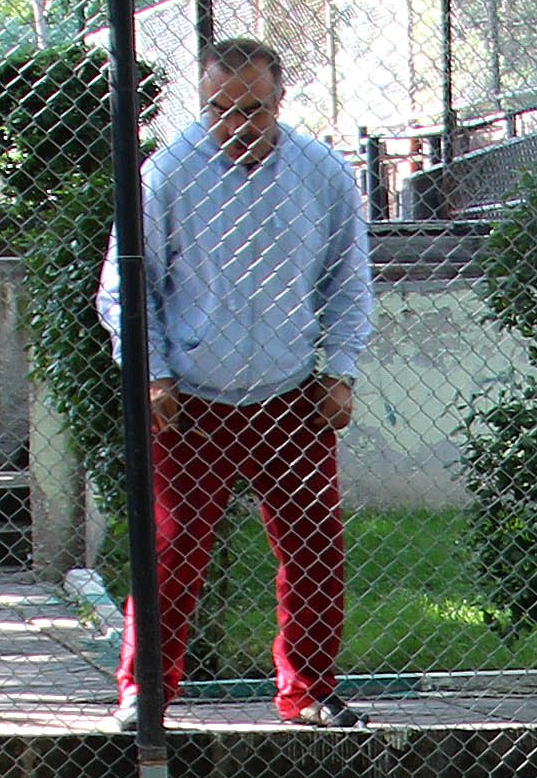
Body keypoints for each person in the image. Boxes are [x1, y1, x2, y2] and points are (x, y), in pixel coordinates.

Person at [98, 36, 374, 728]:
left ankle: (307, 691)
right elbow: (126, 287)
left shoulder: (321, 174)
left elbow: (348, 279)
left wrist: (338, 370)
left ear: (280, 100)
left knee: (314, 543)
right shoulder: (167, 175)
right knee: (170, 550)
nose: (235, 129)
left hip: (289, 394)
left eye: (252, 111)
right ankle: (146, 692)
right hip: (190, 399)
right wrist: (154, 373)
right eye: (219, 111)